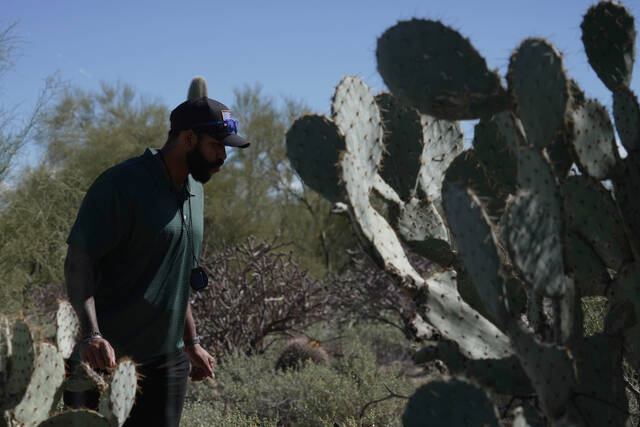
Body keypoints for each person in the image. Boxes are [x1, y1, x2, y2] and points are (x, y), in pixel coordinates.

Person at [63, 97, 250, 426]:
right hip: (105, 360)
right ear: (188, 138)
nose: (223, 156)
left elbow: (177, 273)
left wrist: (191, 343)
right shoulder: (121, 185)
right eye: (216, 146)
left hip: (167, 362)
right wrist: (92, 335)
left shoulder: (196, 189)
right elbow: (79, 262)